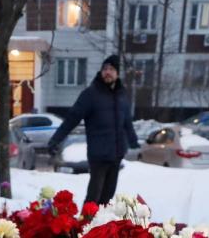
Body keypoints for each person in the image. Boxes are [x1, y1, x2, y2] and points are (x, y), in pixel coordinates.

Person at [45, 54, 139, 206]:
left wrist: (134, 143)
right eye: (105, 69)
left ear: (117, 73)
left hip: (116, 154)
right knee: (94, 196)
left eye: (111, 69)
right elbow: (72, 118)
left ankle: (102, 227)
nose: (108, 72)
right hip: (98, 154)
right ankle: (85, 226)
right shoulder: (91, 94)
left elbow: (127, 122)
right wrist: (56, 139)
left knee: (108, 196)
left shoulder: (122, 95)